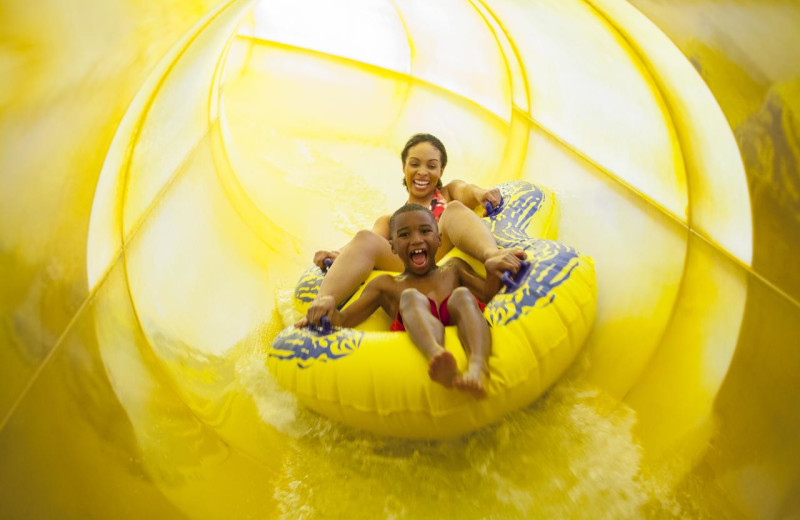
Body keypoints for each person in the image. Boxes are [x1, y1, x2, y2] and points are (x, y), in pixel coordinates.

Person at [297, 204, 525, 397]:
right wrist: (328, 309)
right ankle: (437, 355)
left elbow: (487, 297)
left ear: (439, 239)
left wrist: (493, 272)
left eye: (425, 231)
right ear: (393, 247)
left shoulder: (454, 269)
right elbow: (345, 320)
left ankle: (477, 367)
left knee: (463, 296)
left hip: (457, 315)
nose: (416, 240)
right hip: (416, 325)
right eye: (404, 235)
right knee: (411, 297)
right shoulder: (386, 285)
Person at [308, 133, 526, 326]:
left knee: (454, 210)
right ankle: (323, 304)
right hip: (409, 262)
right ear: (404, 167)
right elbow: (367, 241)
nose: (422, 172)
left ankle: (492, 255)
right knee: (365, 236)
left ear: (441, 171)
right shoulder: (392, 220)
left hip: (443, 249)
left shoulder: (448, 194)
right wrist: (337, 253)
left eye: (431, 166)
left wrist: (481, 193)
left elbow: (467, 190)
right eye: (415, 164)